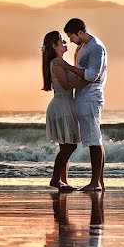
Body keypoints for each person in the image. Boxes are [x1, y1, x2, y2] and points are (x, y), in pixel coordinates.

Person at [54, 18, 108, 192]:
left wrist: (67, 67)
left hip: (91, 98)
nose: (69, 40)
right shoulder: (83, 48)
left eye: (71, 36)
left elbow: (92, 76)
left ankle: (96, 183)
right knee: (94, 138)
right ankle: (99, 182)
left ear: (80, 33)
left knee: (94, 139)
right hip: (82, 97)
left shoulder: (96, 48)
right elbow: (84, 75)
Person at [41, 31, 89, 191]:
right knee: (70, 146)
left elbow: (70, 76)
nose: (65, 43)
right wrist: (87, 80)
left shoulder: (60, 61)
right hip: (62, 106)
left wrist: (76, 58)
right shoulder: (56, 63)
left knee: (65, 146)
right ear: (54, 46)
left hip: (65, 105)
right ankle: (55, 180)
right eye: (61, 41)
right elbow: (67, 84)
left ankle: (63, 182)